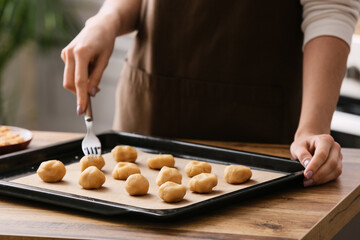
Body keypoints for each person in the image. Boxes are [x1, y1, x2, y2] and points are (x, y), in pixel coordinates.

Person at [61, 0, 360, 187]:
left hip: (260, 123)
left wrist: (313, 126)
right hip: (151, 104)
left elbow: (329, 8)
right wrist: (105, 21)